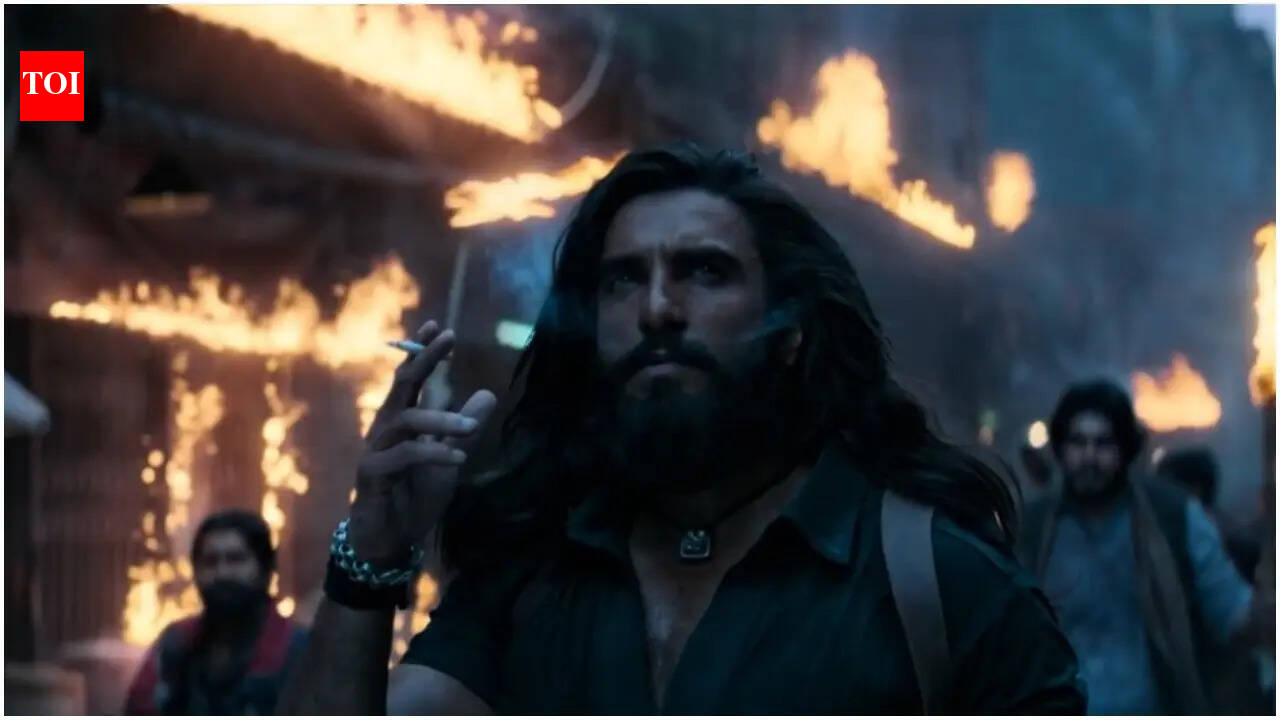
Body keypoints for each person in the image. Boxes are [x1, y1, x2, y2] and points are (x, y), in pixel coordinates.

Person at [279, 144, 1084, 714]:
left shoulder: (941, 589)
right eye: (624, 280)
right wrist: (371, 554)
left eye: (704, 271)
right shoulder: (534, 573)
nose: (659, 308)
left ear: (791, 329)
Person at [1018, 380, 1274, 714]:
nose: (1089, 457)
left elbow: (1233, 614)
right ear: (1062, 449)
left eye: (1103, 444)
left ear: (1124, 450)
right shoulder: (1033, 530)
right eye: (1078, 443)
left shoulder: (1174, 518)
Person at [124, 510, 308, 714]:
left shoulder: (302, 653)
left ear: (265, 569)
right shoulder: (176, 643)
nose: (222, 573)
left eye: (236, 559)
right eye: (210, 562)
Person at [1156, 446, 1262, 581]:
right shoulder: (1231, 535)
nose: (1160, 497)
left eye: (1166, 488)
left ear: (1195, 490)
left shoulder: (1205, 542)